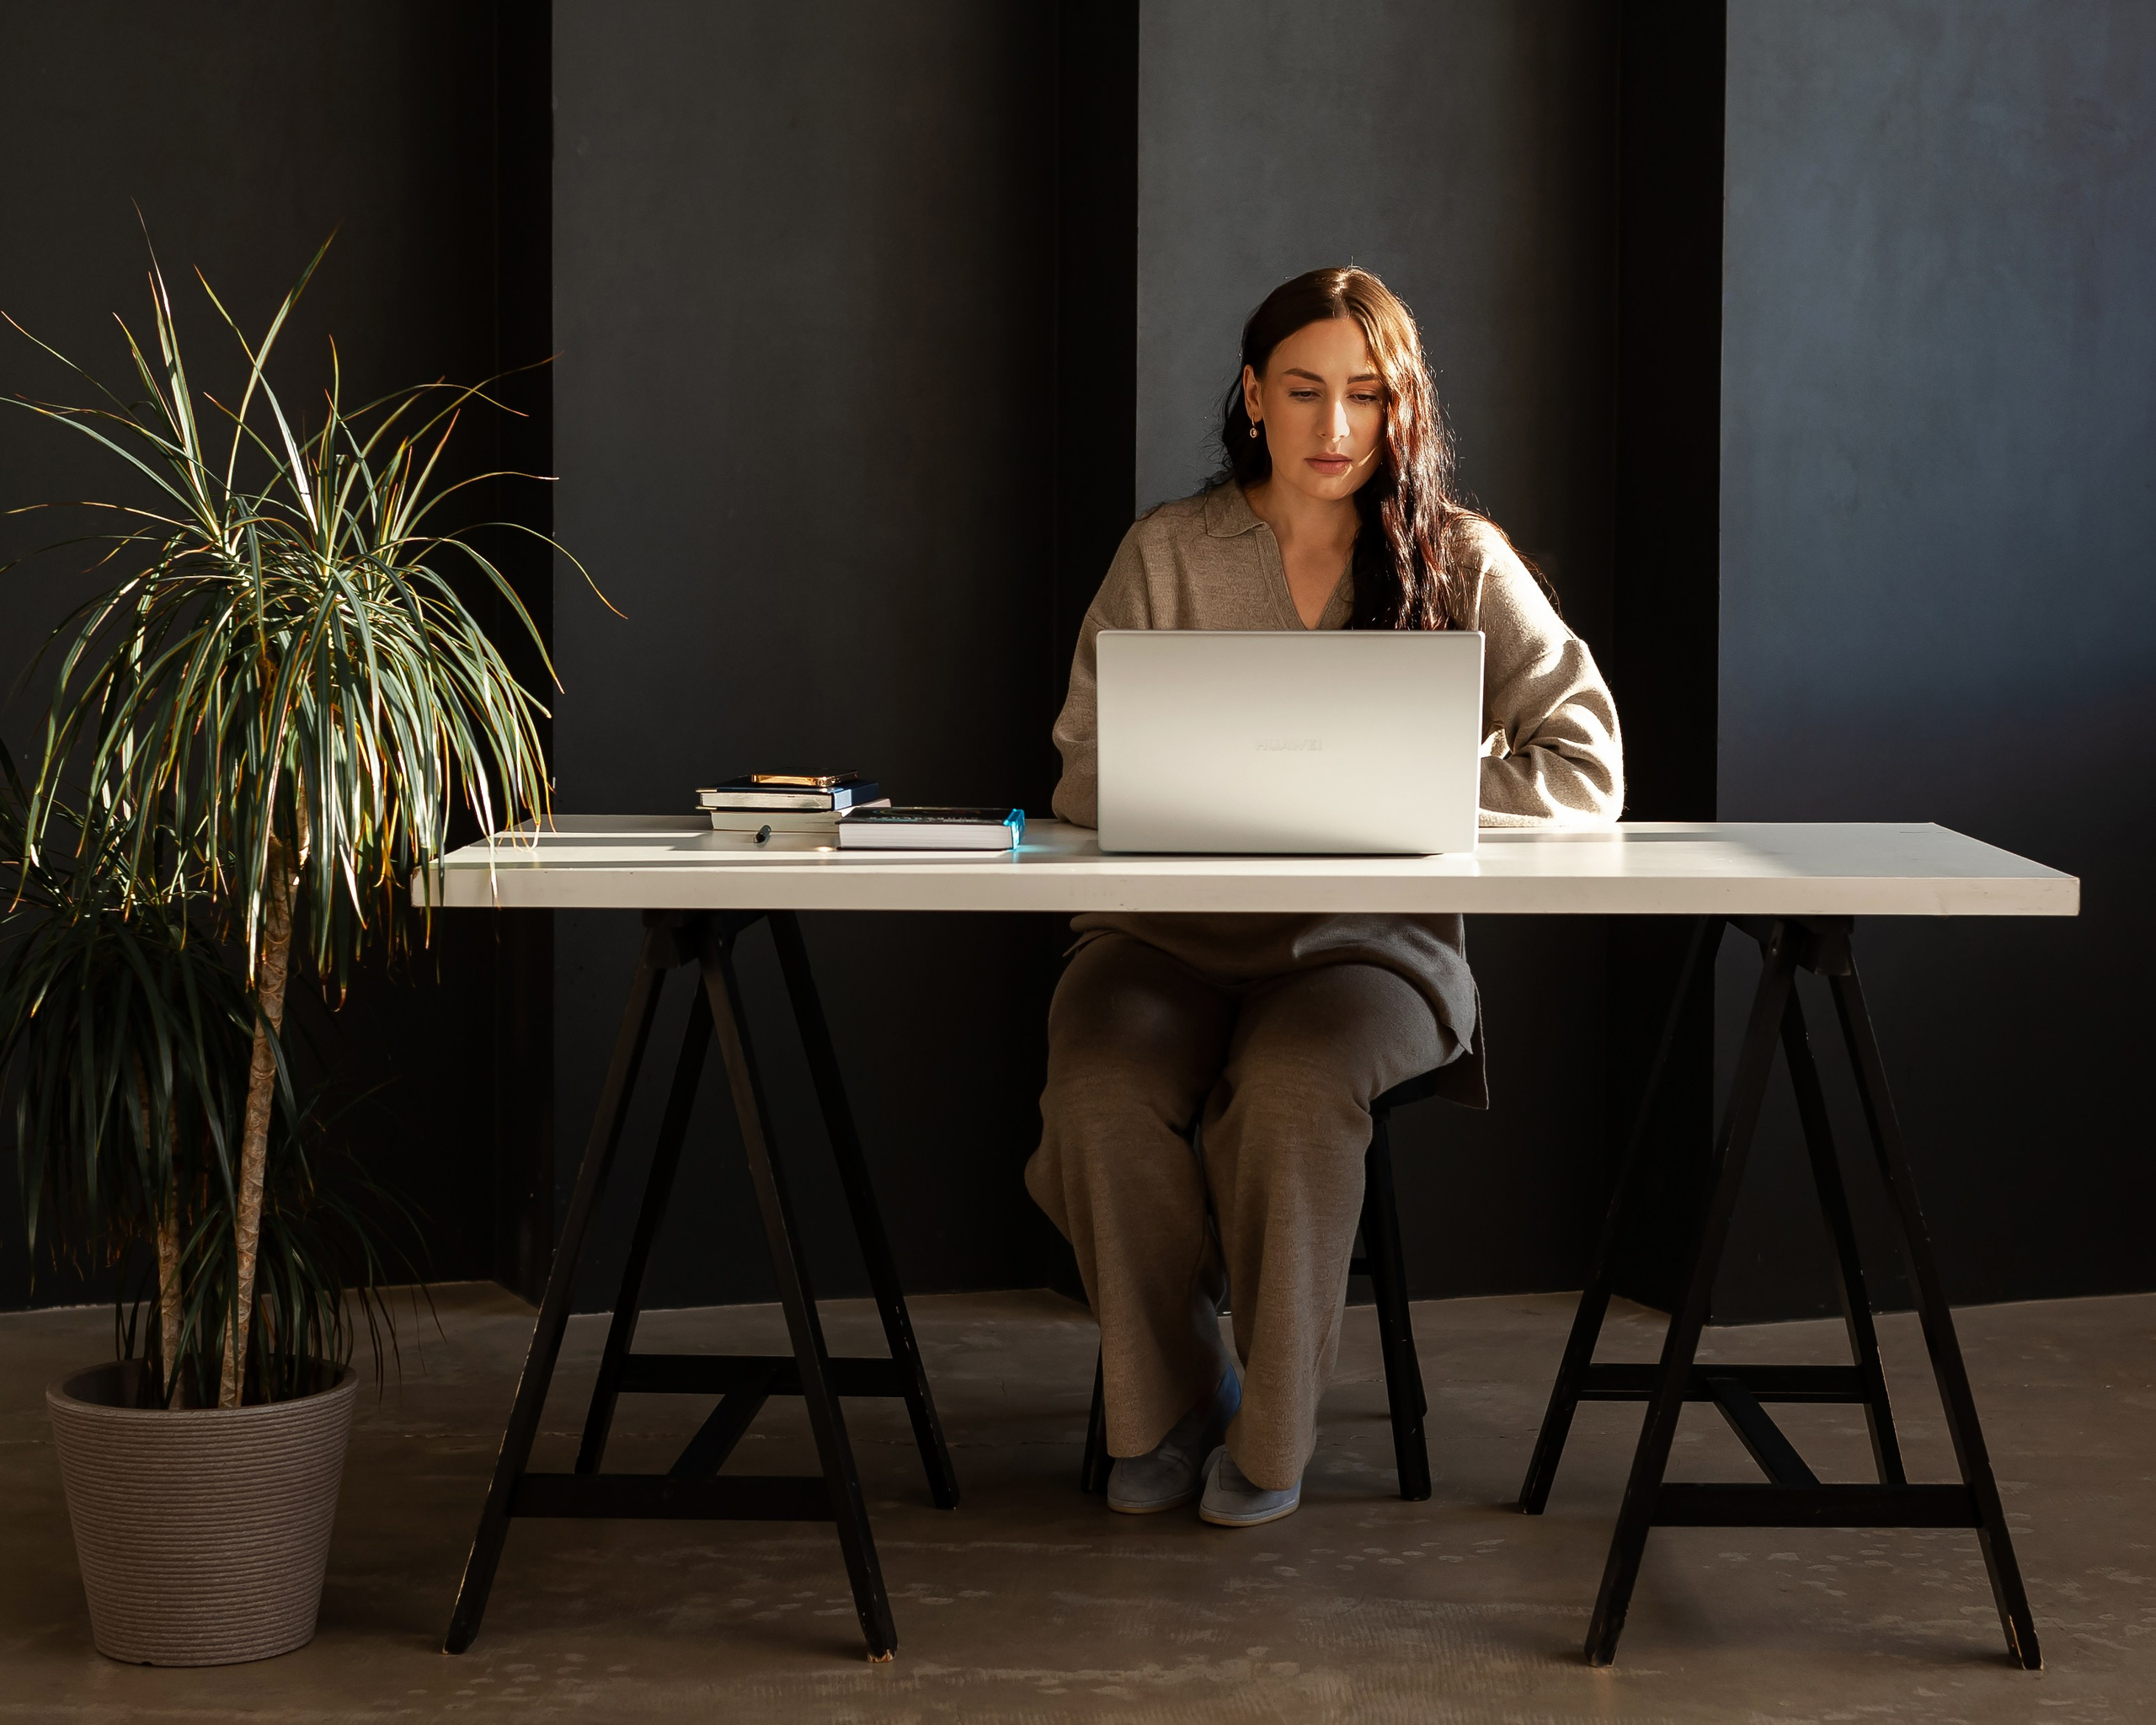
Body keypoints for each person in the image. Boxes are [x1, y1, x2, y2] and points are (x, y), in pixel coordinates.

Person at [1025, 266, 1623, 1528]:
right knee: (1095, 1085)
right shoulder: (1167, 553)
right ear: (1253, 396)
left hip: (1373, 952)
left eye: (1367, 394)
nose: (1337, 427)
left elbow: (1586, 765)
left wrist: (1418, 769)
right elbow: (1080, 765)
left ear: (1403, 406)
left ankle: (1271, 1441)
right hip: (1162, 941)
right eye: (1304, 392)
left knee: (1295, 1092)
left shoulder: (1459, 556)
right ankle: (1174, 1400)